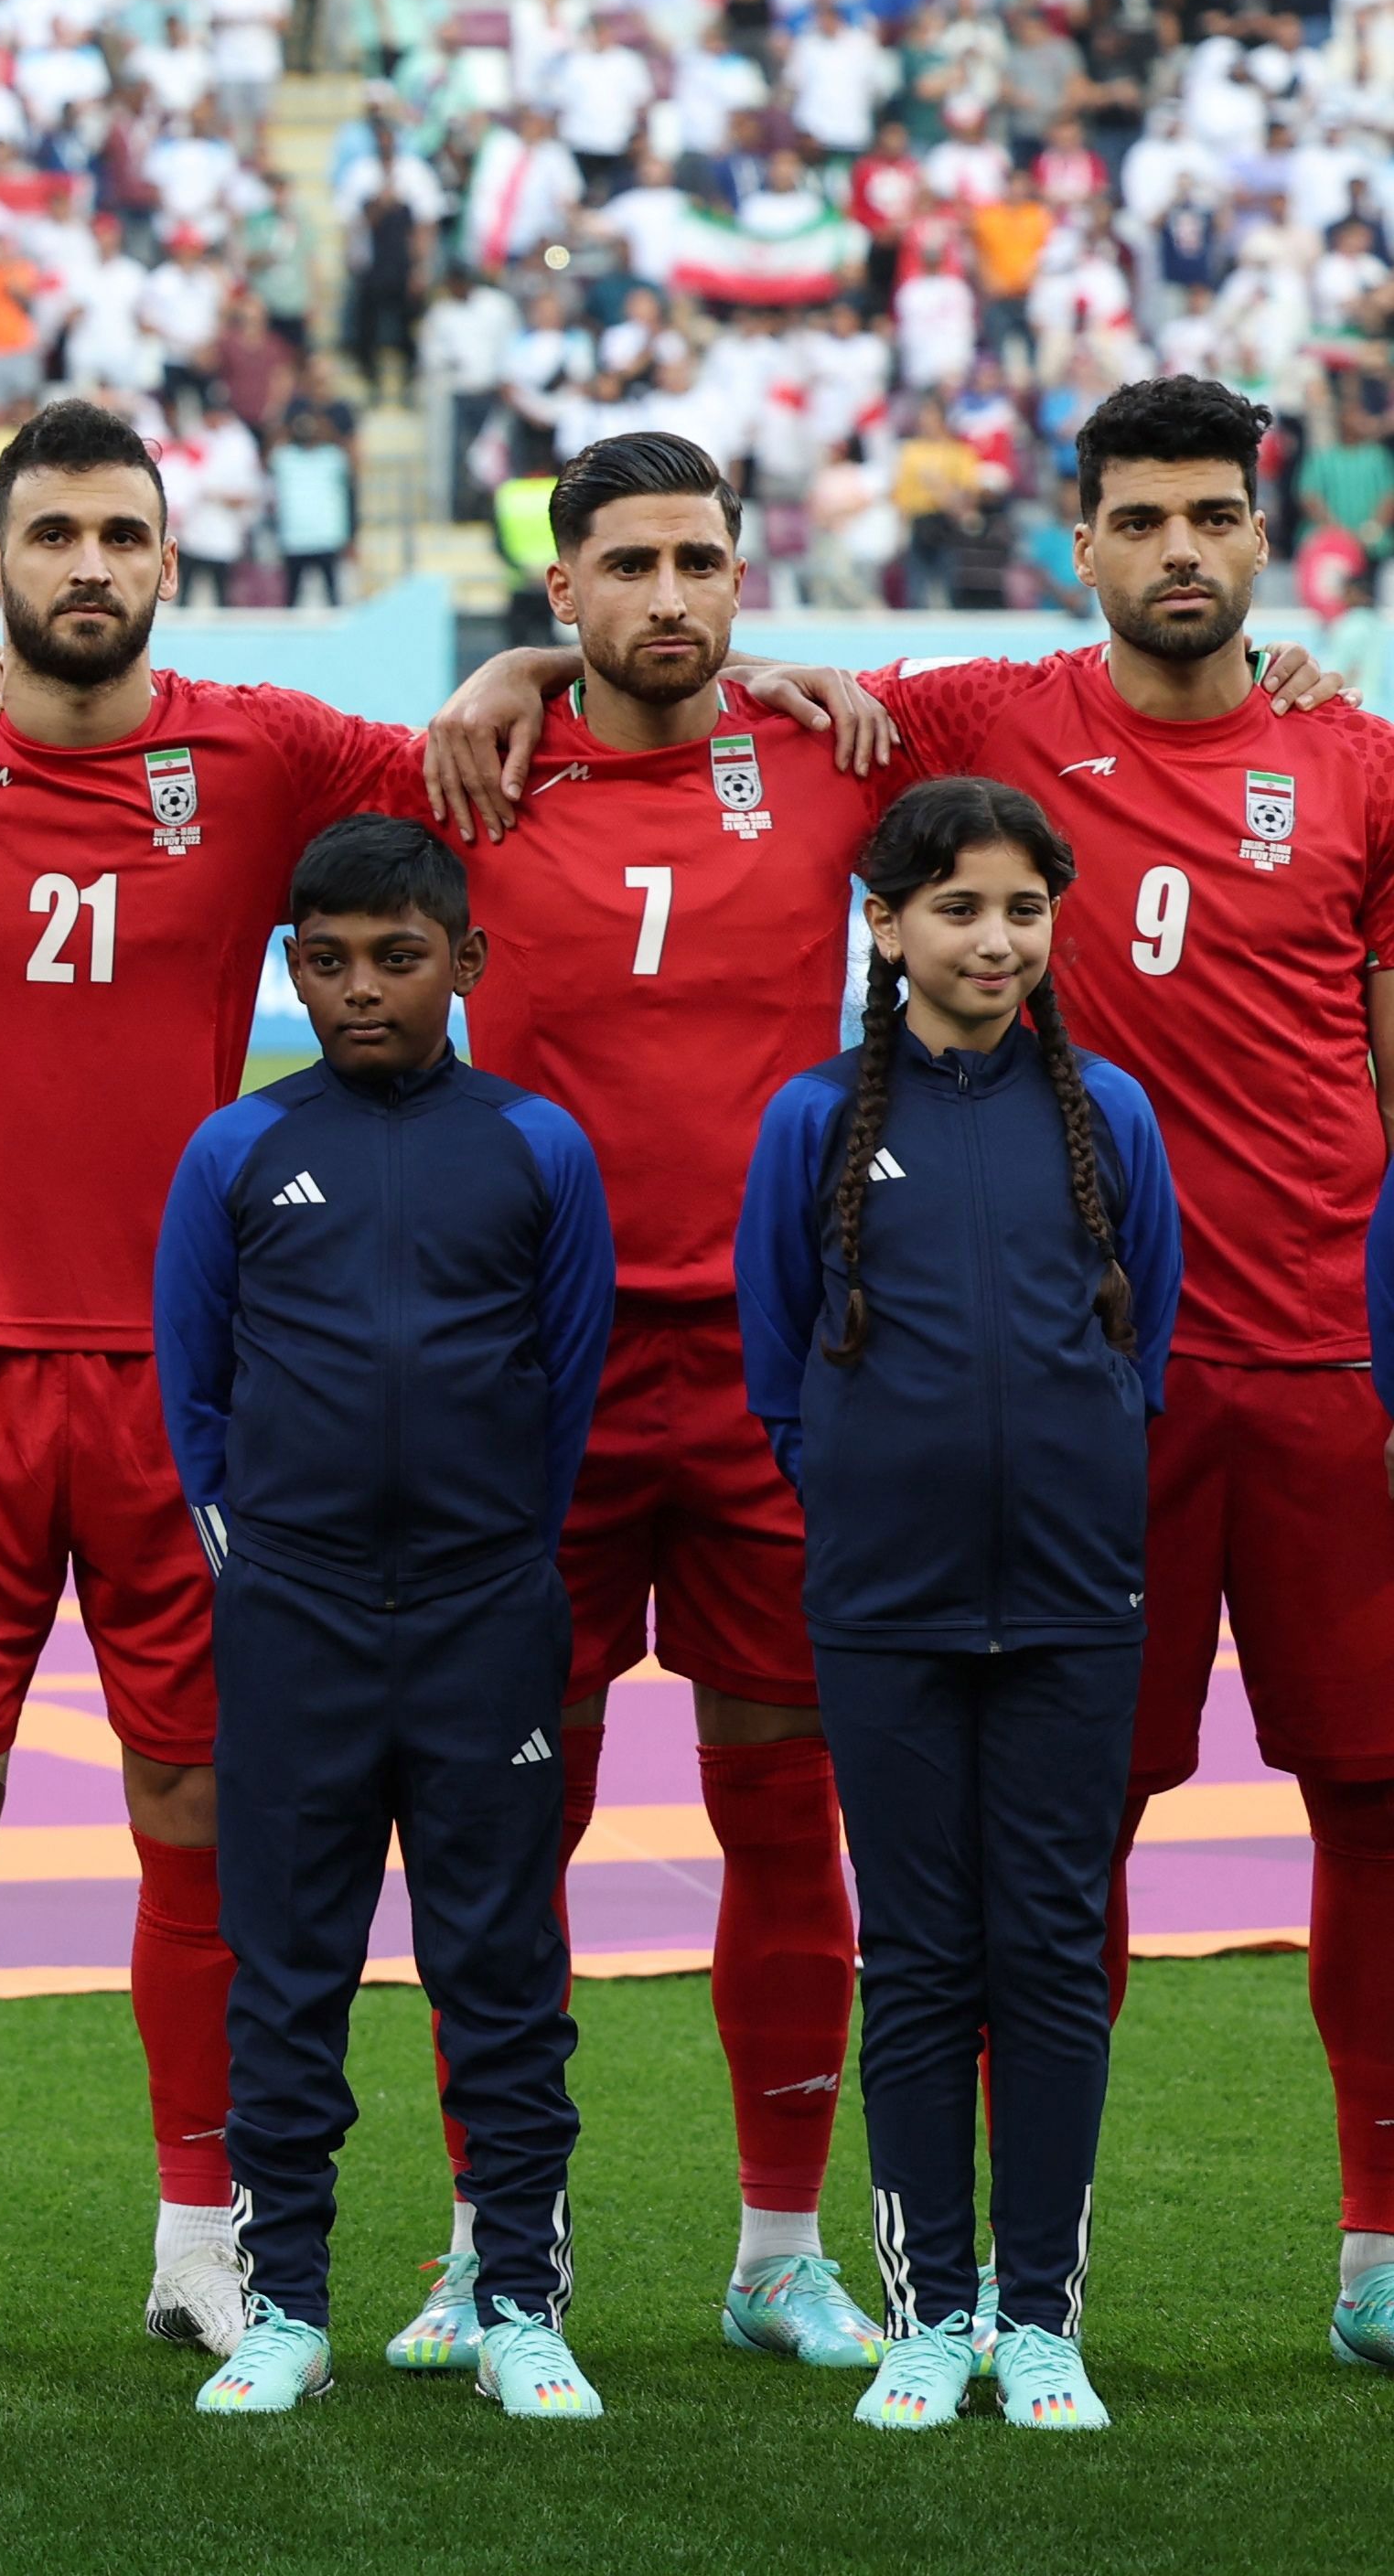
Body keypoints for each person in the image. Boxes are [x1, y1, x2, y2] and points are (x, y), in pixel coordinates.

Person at [435, 370, 1394, 2364]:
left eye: (1215, 514)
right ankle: (884, 2276)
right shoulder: (973, 715)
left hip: (1297, 1360)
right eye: (1142, 518)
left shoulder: (1351, 753)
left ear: (1265, 530)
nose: (1183, 550)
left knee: (1358, 1800)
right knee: (1026, 1839)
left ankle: (1346, 2248)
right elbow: (693, 660)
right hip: (954, 1388)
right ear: (1078, 540)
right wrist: (528, 654)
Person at [0, 396, 422, 2367]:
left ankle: (199, 2226)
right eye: (54, 534)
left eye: (124, 532)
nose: (88, 565)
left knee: (196, 1801)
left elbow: (486, 763)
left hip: (196, 1377)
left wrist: (541, 647)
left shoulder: (265, 747)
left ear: (170, 562)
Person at [415, 430, 886, 2376]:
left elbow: (1097, 691)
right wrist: (486, 689)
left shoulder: (848, 758)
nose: (670, 595)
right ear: (562, 596)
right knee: (510, 1821)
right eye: (628, 564)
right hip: (540, 1383)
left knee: (787, 1810)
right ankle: (489, 2247)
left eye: (703, 559)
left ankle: (781, 2254)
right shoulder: (465, 770)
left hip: (779, 1381)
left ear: (746, 581)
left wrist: (1288, 670)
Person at [153, 816, 612, 2423]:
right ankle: (285, 2307)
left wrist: (494, 1553)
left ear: (467, 966)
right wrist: (265, 1561)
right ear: (292, 968)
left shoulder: (538, 1146)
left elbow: (564, 1382)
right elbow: (194, 1389)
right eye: (330, 961)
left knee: (503, 1964)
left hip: (490, 1615)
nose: (363, 989)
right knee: (287, 1967)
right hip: (297, 1615)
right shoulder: (236, 1150)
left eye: (399, 959)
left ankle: (520, 2301)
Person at [735, 778, 1179, 2434]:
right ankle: (931, 2320)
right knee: (922, 1962)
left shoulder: (1111, 1117)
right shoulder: (816, 1122)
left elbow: (1146, 1340)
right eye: (958, 910)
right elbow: (778, 1355)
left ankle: (1042, 2320)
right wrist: (862, 1489)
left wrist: (1071, 1488)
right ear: (887, 923)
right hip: (885, 1607)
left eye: (1022, 912)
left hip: (1076, 1600)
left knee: (1053, 1959)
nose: (993, 942)